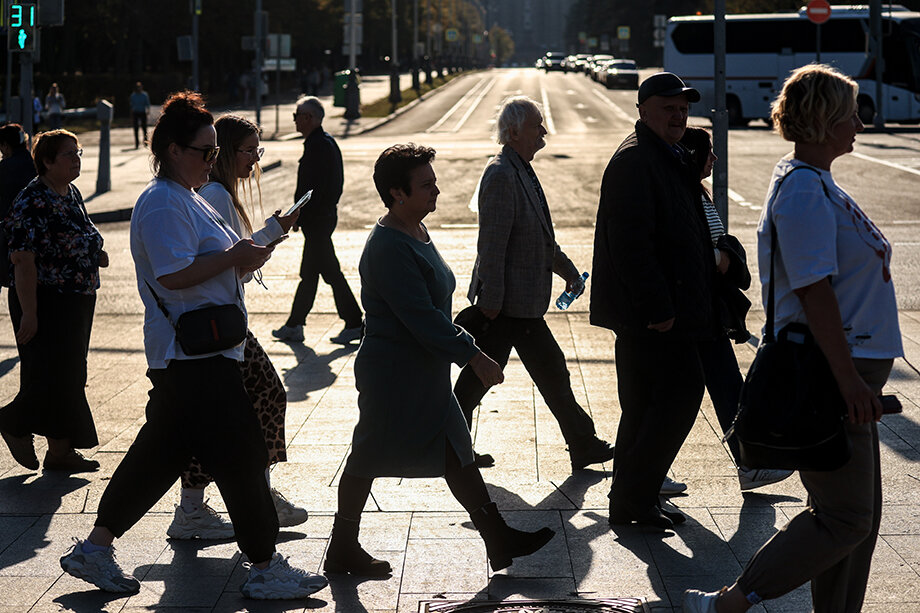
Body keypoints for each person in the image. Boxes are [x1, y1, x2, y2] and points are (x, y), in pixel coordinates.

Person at [59, 92, 327, 600]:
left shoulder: (191, 197)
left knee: (157, 458)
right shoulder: (162, 202)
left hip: (202, 355)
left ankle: (94, 549)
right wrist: (234, 258)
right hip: (191, 356)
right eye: (205, 150)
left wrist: (269, 234)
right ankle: (266, 567)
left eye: (213, 150)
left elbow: (235, 261)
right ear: (173, 149)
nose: (212, 159)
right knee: (243, 456)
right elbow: (174, 274)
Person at [683, 64, 902, 613]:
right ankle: (730, 602)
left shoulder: (815, 181)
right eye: (851, 111)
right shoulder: (802, 188)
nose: (859, 121)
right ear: (825, 119)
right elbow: (813, 289)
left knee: (859, 517)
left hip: (849, 368)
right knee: (845, 515)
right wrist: (849, 378)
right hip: (832, 371)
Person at [325, 143, 554, 576]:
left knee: (456, 446)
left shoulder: (416, 231)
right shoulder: (389, 246)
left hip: (423, 371)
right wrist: (475, 356)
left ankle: (497, 537)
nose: (437, 190)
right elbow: (423, 319)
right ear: (397, 193)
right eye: (426, 185)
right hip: (394, 375)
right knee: (368, 455)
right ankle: (341, 547)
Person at [452, 96, 614, 472]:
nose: (544, 131)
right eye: (536, 125)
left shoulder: (520, 169)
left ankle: (582, 443)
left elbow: (539, 237)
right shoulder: (501, 174)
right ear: (513, 132)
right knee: (489, 376)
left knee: (539, 371)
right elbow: (492, 244)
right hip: (505, 305)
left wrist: (569, 272)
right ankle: (451, 443)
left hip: (519, 303)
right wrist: (490, 303)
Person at [165, 114, 308, 540]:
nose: (255, 159)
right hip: (216, 324)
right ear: (224, 151)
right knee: (262, 397)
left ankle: (202, 506)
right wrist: (272, 234)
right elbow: (229, 265)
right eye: (249, 150)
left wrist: (272, 234)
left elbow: (233, 263)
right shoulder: (214, 195)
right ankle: (255, 501)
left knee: (208, 417)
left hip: (220, 321)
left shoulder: (215, 193)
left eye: (257, 149)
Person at [590, 72, 714, 529]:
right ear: (643, 110)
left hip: (669, 307)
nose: (679, 115)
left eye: (683, 108)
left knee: (643, 407)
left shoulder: (664, 155)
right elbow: (630, 246)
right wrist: (657, 308)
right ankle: (633, 498)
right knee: (679, 396)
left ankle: (632, 500)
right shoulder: (635, 161)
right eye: (668, 108)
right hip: (654, 315)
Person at [679, 127, 794, 492]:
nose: (713, 158)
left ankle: (645, 473)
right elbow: (694, 248)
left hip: (704, 309)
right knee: (720, 390)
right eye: (707, 152)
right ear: (692, 155)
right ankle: (749, 463)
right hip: (695, 311)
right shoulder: (685, 193)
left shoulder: (697, 192)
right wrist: (721, 257)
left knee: (709, 391)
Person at [0, 130, 104, 473]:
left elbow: (78, 235)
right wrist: (29, 314)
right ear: (46, 161)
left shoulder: (69, 192)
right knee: (52, 376)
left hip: (76, 299)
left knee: (71, 375)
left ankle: (60, 452)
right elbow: (22, 260)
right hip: (46, 300)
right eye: (68, 154)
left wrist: (95, 254)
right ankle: (13, 422)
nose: (76, 159)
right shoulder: (33, 200)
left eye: (79, 152)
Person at [273, 96, 363, 344]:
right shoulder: (323, 142)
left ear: (309, 118)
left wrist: (299, 214)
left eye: (297, 115)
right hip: (320, 219)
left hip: (318, 220)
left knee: (330, 273)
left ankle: (355, 322)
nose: (294, 120)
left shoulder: (318, 146)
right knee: (310, 273)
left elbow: (313, 189)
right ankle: (295, 324)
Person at [129, 81, 151, 149]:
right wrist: (131, 113)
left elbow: (147, 103)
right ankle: (137, 143)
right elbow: (131, 105)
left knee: (144, 128)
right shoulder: (133, 95)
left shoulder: (144, 95)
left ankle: (145, 141)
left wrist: (148, 111)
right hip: (136, 112)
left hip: (142, 112)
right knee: (136, 128)